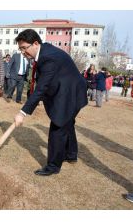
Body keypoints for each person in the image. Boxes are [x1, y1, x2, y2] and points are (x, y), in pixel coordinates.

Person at [14, 29, 87, 176]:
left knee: (58, 126)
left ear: (35, 43)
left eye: (24, 48)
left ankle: (53, 166)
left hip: (70, 93)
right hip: (69, 90)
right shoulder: (45, 51)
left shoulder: (48, 57)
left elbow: (41, 88)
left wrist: (22, 112)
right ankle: (71, 154)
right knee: (68, 123)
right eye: (20, 49)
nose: (23, 52)